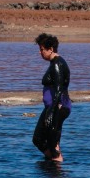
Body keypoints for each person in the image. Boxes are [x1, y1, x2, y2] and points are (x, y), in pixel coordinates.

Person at [32, 33, 72, 163]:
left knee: (51, 140)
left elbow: (59, 89)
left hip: (58, 107)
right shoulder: (54, 63)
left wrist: (51, 111)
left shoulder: (57, 64)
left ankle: (56, 164)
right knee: (39, 139)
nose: (40, 52)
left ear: (51, 49)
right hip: (52, 107)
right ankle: (51, 167)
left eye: (42, 49)